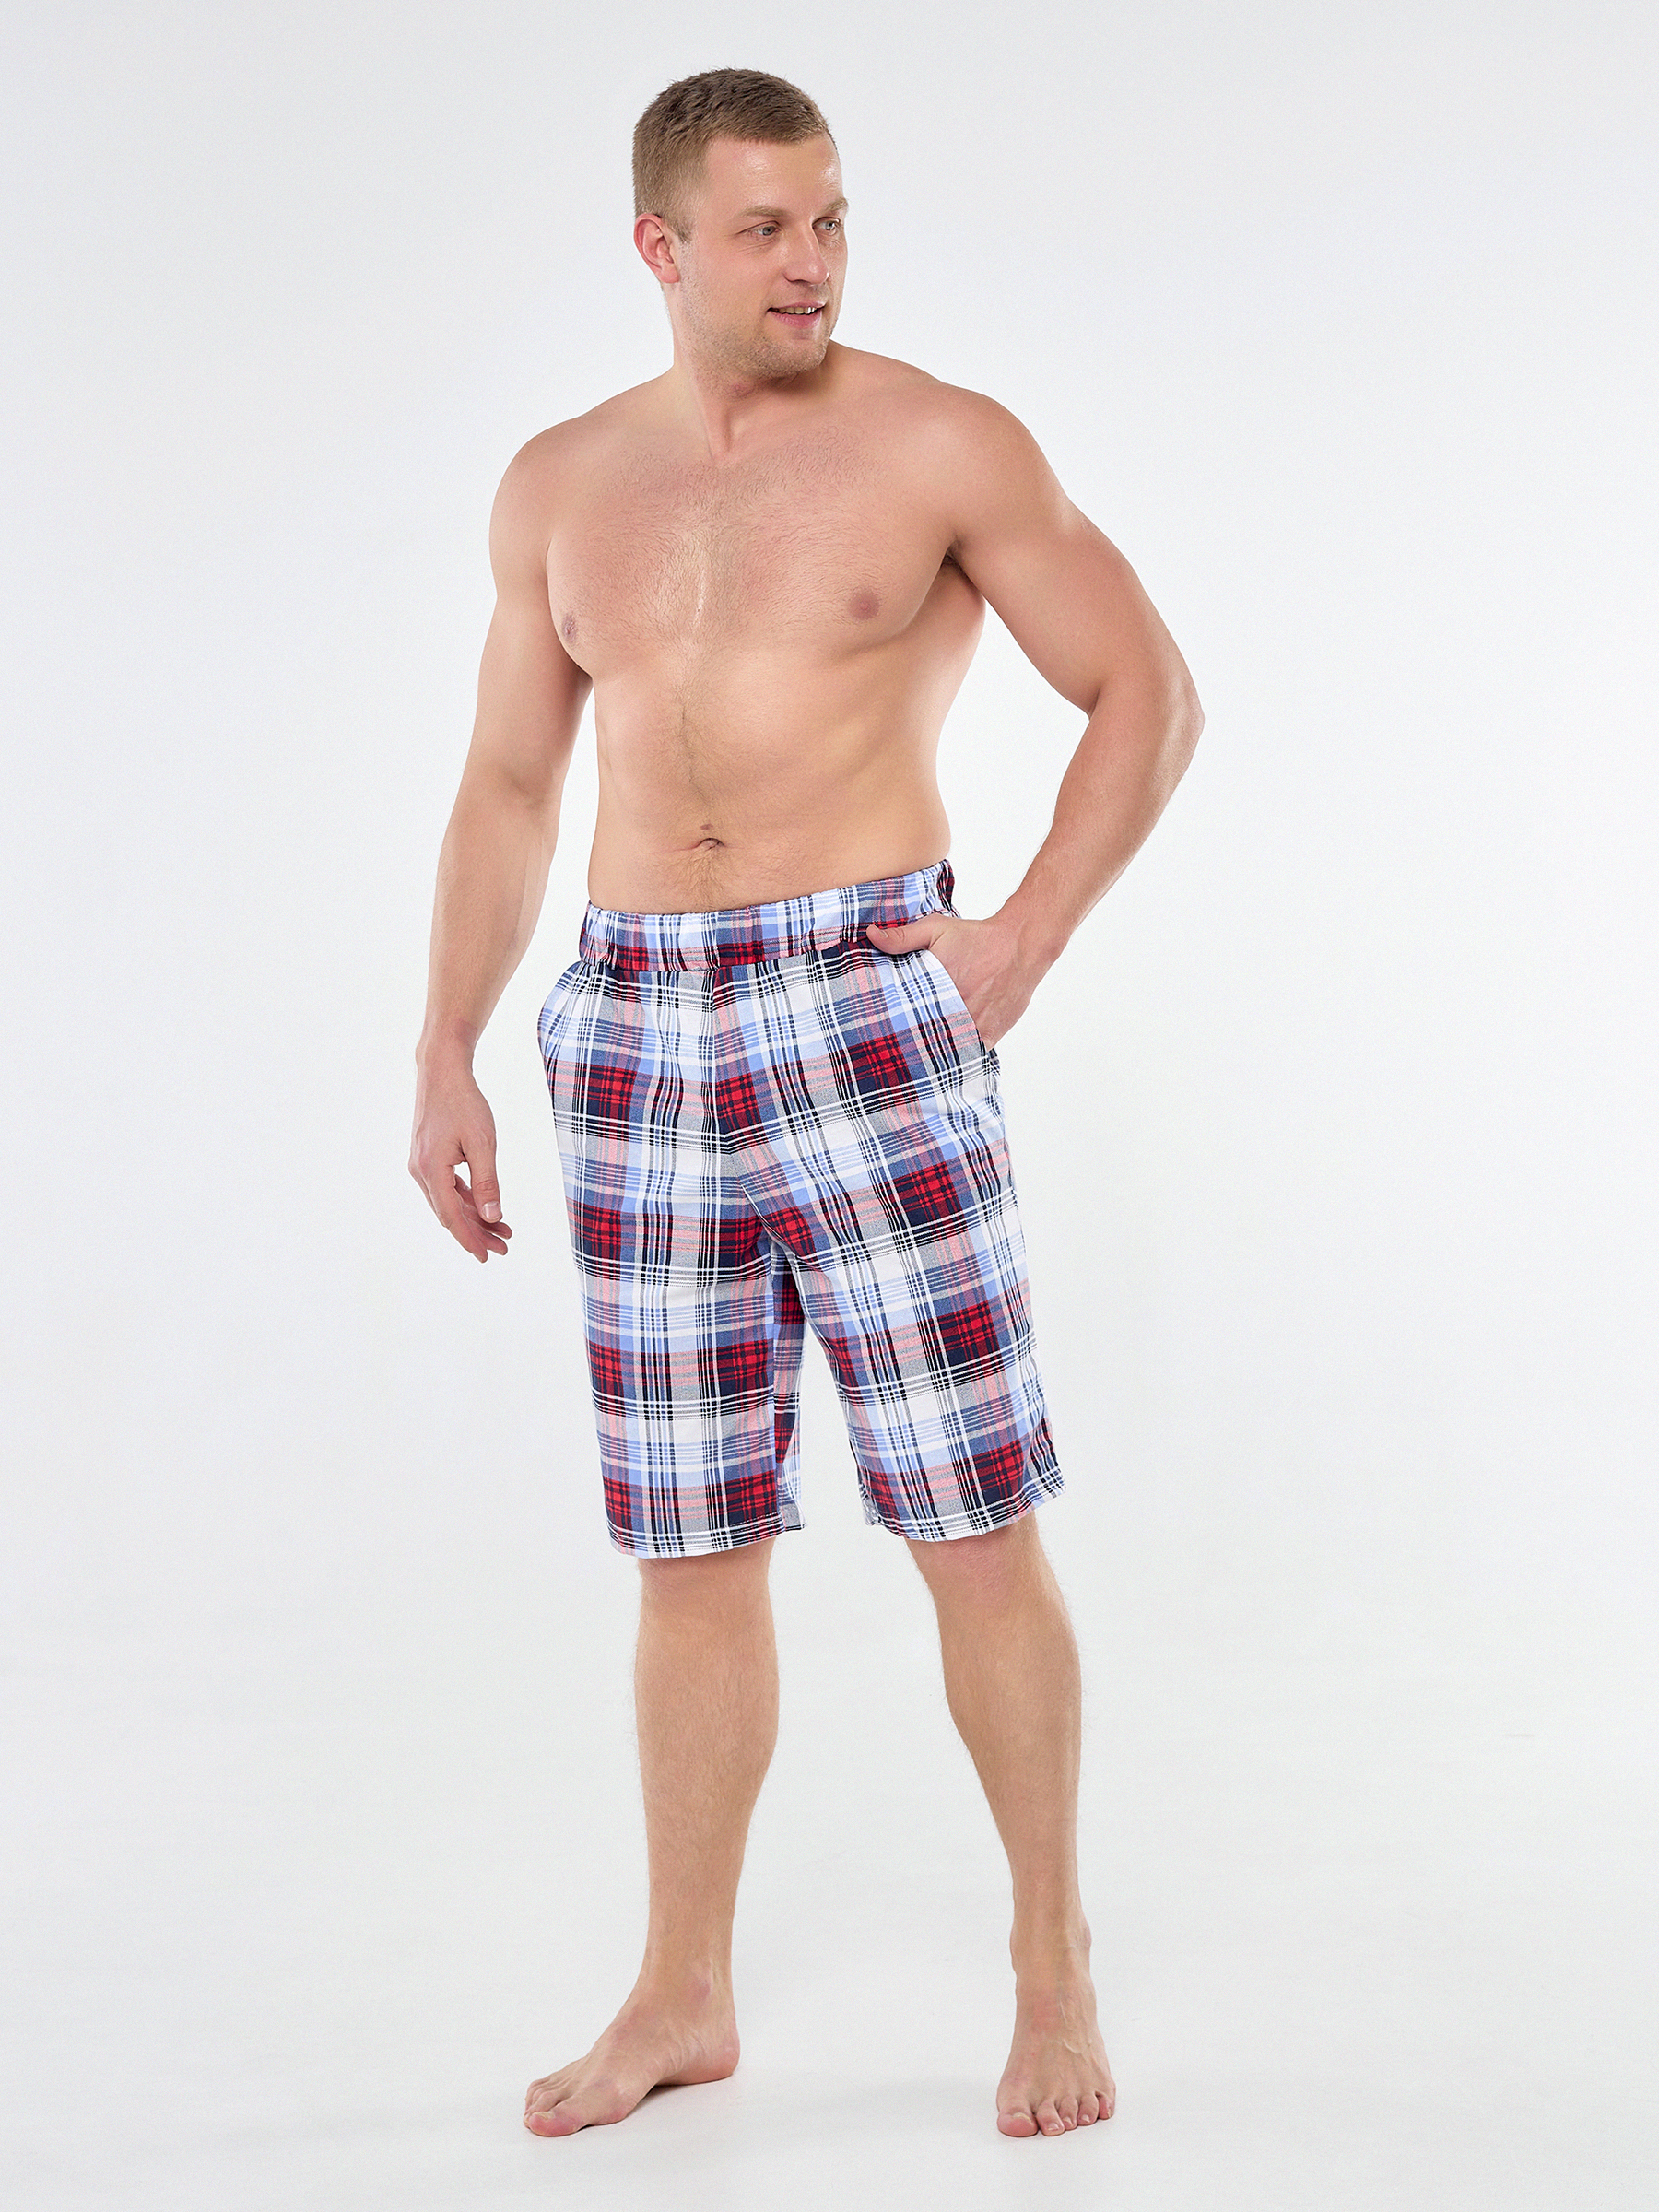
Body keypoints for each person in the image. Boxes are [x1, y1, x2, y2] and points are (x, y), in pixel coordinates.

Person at [409, 65, 1202, 2143]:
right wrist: (446, 1043)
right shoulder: (560, 485)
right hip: (634, 1024)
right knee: (688, 1542)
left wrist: (1021, 937)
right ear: (660, 245)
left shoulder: (941, 442)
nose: (813, 263)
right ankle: (683, 1993)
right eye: (765, 228)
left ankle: (1052, 1966)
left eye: (831, 220)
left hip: (865, 1001)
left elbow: (1146, 686)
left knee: (968, 1512)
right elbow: (509, 783)